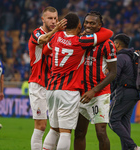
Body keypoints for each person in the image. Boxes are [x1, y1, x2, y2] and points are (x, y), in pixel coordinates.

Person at [42, 13, 113, 150]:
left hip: (51, 89)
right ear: (79, 26)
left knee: (53, 129)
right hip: (68, 91)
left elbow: (45, 50)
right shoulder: (80, 42)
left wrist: (56, 30)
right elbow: (108, 33)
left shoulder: (57, 36)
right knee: (65, 132)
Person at [74, 11, 117, 150]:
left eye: (92, 23)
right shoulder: (80, 41)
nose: (88, 25)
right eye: (86, 22)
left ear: (100, 25)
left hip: (99, 94)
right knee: (79, 132)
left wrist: (94, 90)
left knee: (101, 132)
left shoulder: (107, 44)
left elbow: (113, 73)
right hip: (81, 94)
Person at [28, 6, 67, 150]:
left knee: (57, 126)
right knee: (41, 125)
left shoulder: (58, 35)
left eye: (55, 18)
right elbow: (43, 39)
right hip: (38, 84)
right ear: (42, 19)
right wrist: (57, 30)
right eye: (50, 18)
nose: (53, 21)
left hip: (54, 86)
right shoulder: (37, 33)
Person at [108, 33, 140, 150]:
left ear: (117, 44)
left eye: (114, 43)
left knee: (112, 119)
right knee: (124, 121)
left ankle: (133, 147)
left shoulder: (121, 57)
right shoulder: (132, 56)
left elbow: (114, 76)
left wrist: (109, 93)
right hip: (135, 93)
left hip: (124, 92)